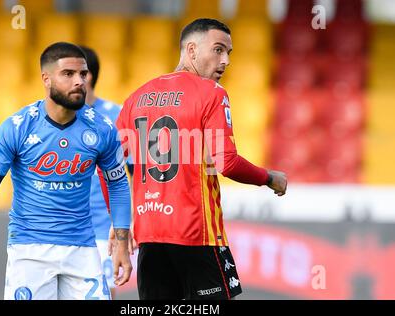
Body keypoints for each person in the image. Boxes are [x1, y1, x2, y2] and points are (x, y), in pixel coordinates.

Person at [116, 18, 287, 300]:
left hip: (149, 237)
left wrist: (121, 228)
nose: (226, 60)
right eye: (219, 50)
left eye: (229, 53)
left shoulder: (136, 97)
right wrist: (269, 177)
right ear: (191, 50)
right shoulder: (212, 93)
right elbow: (227, 162)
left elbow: (109, 164)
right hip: (197, 234)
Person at [0, 42, 132, 300]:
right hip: (30, 249)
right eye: (68, 74)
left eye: (83, 74)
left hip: (82, 247)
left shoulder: (102, 128)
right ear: (46, 78)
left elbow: (118, 183)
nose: (79, 81)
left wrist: (122, 241)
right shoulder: (18, 127)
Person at [79, 45, 133, 299]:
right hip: (60, 230)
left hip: (102, 231)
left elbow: (137, 171)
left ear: (85, 76)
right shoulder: (49, 117)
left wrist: (126, 224)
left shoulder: (117, 117)